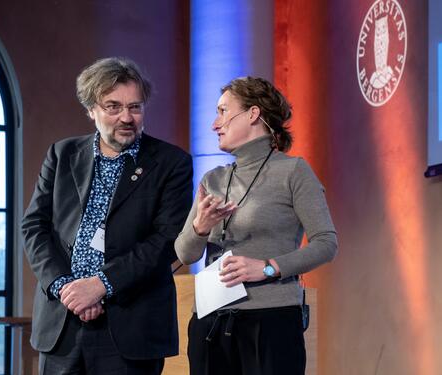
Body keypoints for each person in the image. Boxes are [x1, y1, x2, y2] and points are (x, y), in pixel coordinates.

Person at [22, 57, 193, 375]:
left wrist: (101, 284)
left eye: (135, 107)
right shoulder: (62, 154)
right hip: (62, 322)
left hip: (131, 326)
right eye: (113, 107)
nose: (126, 117)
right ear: (91, 110)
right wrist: (67, 289)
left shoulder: (172, 163)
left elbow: (166, 239)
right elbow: (34, 227)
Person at [175, 76, 337, 375]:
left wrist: (267, 267)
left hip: (271, 322)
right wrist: (200, 227)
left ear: (253, 114)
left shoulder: (293, 172)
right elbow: (185, 255)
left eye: (223, 111)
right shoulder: (213, 179)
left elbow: (326, 243)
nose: (214, 124)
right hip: (210, 322)